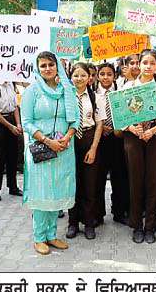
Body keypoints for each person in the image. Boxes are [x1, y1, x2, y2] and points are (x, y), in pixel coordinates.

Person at [21, 51, 78, 255]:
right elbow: (26, 122)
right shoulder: (32, 91)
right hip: (41, 149)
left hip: (63, 149)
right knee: (42, 192)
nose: (47, 68)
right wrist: (47, 141)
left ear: (57, 66)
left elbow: (75, 119)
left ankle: (52, 235)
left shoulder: (67, 90)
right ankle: (39, 237)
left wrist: (67, 137)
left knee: (58, 190)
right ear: (37, 69)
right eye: (43, 65)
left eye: (51, 64)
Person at [123, 49, 156, 244]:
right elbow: (120, 115)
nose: (148, 66)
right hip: (133, 138)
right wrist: (131, 127)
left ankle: (150, 226)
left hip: (155, 138)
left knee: (153, 180)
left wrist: (154, 130)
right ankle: (137, 225)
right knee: (135, 180)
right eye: (145, 63)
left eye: (152, 63)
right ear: (139, 64)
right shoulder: (128, 86)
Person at [67, 63, 104, 240]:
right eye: (76, 75)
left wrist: (94, 148)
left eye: (83, 75)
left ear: (89, 78)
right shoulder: (65, 96)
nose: (79, 79)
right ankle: (73, 223)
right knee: (72, 184)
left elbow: (100, 124)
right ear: (70, 77)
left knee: (90, 185)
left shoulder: (96, 97)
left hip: (89, 139)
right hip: (70, 140)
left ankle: (89, 223)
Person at [95, 63, 130, 225]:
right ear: (97, 76)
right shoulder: (93, 94)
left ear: (114, 76)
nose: (106, 77)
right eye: (102, 74)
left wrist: (119, 126)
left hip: (117, 138)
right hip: (99, 139)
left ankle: (119, 211)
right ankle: (98, 214)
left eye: (109, 74)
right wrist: (101, 127)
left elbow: (126, 113)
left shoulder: (120, 92)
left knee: (119, 176)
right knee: (98, 177)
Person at [0, 80, 22, 201]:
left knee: (13, 155)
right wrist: (10, 126)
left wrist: (18, 124)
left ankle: (13, 186)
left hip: (12, 120)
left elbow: (15, 107)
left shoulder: (10, 85)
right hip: (0, 123)